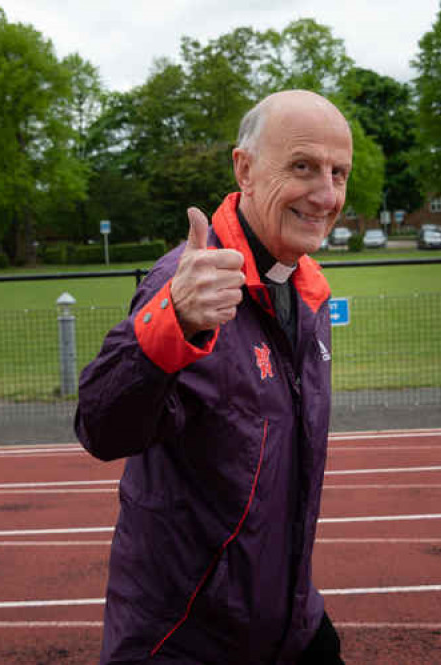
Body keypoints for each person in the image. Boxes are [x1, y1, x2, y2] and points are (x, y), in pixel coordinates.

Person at [75, 90, 350, 665]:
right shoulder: (189, 283)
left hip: (286, 622)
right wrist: (167, 323)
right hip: (188, 637)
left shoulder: (307, 290)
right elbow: (100, 427)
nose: (326, 194)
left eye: (338, 172)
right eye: (303, 167)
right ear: (244, 169)